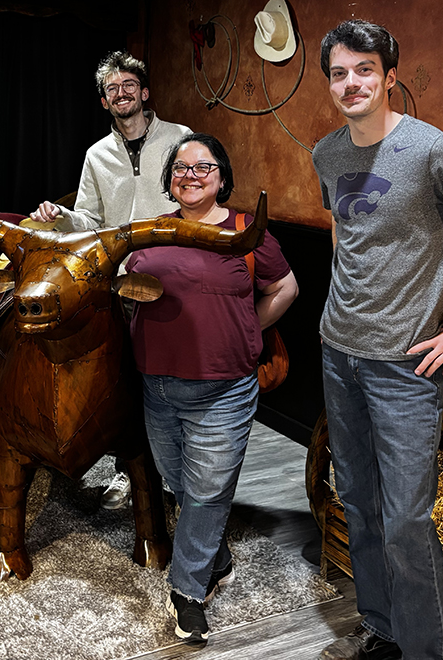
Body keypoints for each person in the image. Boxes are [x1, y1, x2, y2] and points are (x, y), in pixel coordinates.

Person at [310, 20, 443, 660]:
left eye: (365, 70)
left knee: (406, 519)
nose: (352, 83)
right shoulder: (327, 154)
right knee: (356, 500)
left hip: (406, 365)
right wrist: (337, 303)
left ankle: (426, 651)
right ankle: (383, 627)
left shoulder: (435, 151)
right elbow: (344, 232)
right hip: (338, 352)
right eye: (339, 73)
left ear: (390, 76)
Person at [126, 133, 298, 645]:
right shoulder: (153, 231)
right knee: (178, 481)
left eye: (203, 167)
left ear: (222, 177)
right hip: (157, 384)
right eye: (180, 168)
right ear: (169, 180)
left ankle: (188, 591)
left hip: (224, 388)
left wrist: (249, 329)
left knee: (205, 493)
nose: (190, 175)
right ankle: (215, 554)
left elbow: (285, 287)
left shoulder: (247, 230)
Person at [30, 49, 191, 509]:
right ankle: (129, 471)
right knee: (126, 382)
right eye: (111, 90)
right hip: (121, 285)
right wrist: (61, 217)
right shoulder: (96, 155)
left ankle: (179, 475)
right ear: (104, 101)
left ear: (144, 92)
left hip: (175, 278)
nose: (121, 94)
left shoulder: (181, 139)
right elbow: (90, 218)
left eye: (128, 86)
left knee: (174, 380)